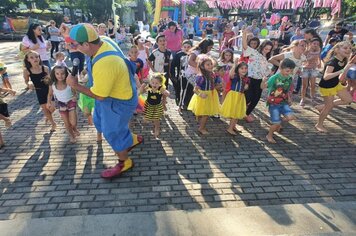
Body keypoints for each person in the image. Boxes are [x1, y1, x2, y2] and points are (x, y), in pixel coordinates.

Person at [66, 23, 143, 178]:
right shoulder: (101, 40)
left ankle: (124, 162)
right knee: (99, 121)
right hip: (109, 95)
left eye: (74, 44)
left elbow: (99, 95)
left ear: (86, 44)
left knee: (111, 132)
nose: (71, 47)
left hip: (119, 101)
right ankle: (130, 139)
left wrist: (75, 85)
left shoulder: (105, 63)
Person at [315, 41, 354, 132]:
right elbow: (326, 76)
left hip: (335, 84)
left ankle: (322, 106)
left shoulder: (343, 60)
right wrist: (343, 70)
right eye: (345, 48)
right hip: (327, 86)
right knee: (328, 107)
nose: (348, 50)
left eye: (349, 48)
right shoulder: (332, 62)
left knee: (348, 100)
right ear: (337, 50)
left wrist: (345, 72)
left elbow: (340, 77)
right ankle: (319, 124)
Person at [242, 28, 273, 122]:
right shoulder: (254, 52)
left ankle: (245, 114)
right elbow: (244, 46)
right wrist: (244, 34)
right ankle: (238, 112)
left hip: (259, 81)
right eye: (266, 48)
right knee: (248, 97)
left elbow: (267, 72)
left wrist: (267, 78)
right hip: (251, 79)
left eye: (269, 49)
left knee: (256, 99)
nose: (267, 50)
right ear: (262, 46)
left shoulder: (267, 59)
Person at [263, 58, 296, 143]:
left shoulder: (289, 78)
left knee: (291, 117)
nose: (289, 73)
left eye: (291, 71)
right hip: (273, 103)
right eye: (287, 71)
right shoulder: (274, 78)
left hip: (284, 102)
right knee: (276, 123)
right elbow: (263, 87)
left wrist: (289, 98)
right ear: (281, 68)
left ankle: (277, 123)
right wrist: (263, 81)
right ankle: (269, 135)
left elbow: (287, 90)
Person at [188, 55, 221, 135]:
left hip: (211, 95)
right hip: (203, 96)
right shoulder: (201, 77)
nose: (210, 66)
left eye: (211, 64)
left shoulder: (212, 74)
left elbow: (213, 84)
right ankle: (201, 128)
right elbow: (195, 89)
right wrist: (200, 94)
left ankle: (201, 124)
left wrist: (217, 86)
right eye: (208, 64)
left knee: (204, 113)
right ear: (202, 66)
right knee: (205, 114)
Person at [23, 51, 56, 131]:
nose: (35, 59)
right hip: (39, 91)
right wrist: (29, 84)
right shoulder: (27, 71)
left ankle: (48, 116)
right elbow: (26, 81)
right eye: (32, 57)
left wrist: (51, 85)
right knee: (45, 109)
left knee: (52, 108)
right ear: (28, 60)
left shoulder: (45, 68)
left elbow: (50, 81)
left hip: (48, 90)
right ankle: (53, 123)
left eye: (37, 56)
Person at [47, 66, 79, 143]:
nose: (60, 76)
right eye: (57, 74)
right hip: (61, 105)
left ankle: (74, 127)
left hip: (71, 102)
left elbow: (75, 92)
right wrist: (48, 102)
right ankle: (72, 136)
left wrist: (75, 96)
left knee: (73, 122)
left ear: (66, 74)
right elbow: (50, 94)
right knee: (67, 123)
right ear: (54, 74)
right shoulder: (53, 84)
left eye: (62, 73)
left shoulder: (69, 83)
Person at [183, 39, 214, 110]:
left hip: (200, 74)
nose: (210, 49)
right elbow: (190, 61)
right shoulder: (196, 52)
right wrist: (201, 67)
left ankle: (202, 106)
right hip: (192, 74)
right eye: (209, 47)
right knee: (198, 89)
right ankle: (196, 107)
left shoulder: (206, 53)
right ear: (205, 46)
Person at [220, 62, 249, 136]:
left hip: (240, 96)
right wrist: (235, 64)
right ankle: (230, 128)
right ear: (237, 69)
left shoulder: (245, 78)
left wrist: (246, 87)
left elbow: (246, 87)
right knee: (234, 113)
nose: (244, 70)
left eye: (245, 68)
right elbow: (230, 74)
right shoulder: (235, 76)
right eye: (242, 68)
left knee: (237, 112)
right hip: (233, 96)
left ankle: (233, 126)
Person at [139, 73, 170, 138]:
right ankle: (146, 118)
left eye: (156, 83)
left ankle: (157, 128)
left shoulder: (161, 88)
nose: (154, 84)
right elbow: (141, 92)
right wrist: (142, 87)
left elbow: (167, 93)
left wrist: (166, 92)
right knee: (147, 116)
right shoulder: (149, 86)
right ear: (150, 82)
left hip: (157, 106)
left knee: (156, 119)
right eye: (153, 82)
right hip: (149, 105)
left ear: (160, 83)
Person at [171, 40, 193, 109]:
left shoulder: (193, 55)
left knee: (190, 89)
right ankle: (180, 102)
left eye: (188, 47)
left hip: (191, 76)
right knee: (181, 89)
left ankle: (187, 103)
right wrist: (173, 75)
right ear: (182, 47)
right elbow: (173, 65)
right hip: (181, 75)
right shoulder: (179, 54)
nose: (187, 48)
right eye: (185, 47)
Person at [300, 38, 321, 106]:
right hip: (305, 69)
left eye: (317, 44)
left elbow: (318, 57)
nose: (316, 45)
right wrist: (309, 59)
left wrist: (319, 62)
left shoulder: (318, 50)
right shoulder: (306, 51)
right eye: (314, 43)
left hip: (313, 69)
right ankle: (303, 99)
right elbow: (302, 60)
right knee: (304, 85)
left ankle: (312, 98)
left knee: (313, 85)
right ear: (310, 44)